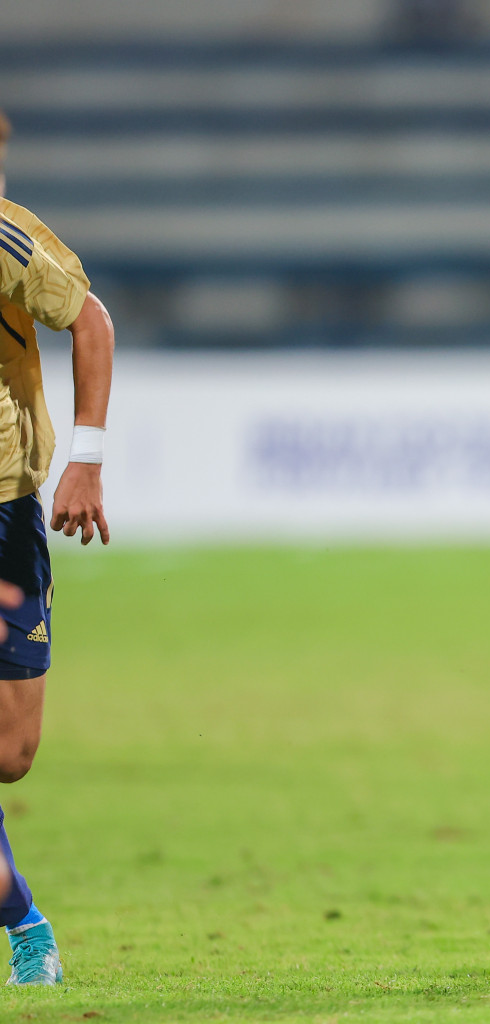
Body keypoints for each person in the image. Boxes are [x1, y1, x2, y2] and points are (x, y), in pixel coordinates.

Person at [0, 107, 116, 985]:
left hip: (6, 507)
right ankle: (24, 925)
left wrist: (86, 464)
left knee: (11, 753)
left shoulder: (9, 243)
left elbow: (92, 323)